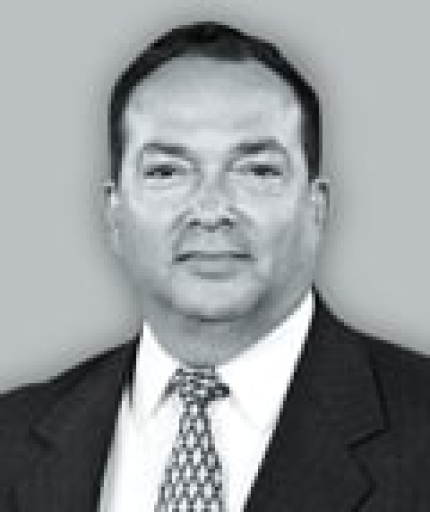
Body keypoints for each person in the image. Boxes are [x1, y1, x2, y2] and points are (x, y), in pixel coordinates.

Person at [1, 21, 430, 512]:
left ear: (317, 208)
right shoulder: (11, 438)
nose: (210, 210)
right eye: (166, 171)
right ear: (113, 213)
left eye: (257, 171)